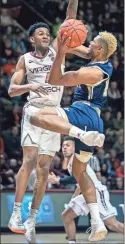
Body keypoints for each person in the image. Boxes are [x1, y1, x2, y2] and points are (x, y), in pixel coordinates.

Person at [8, 0, 96, 244]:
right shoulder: (25, 59)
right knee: (30, 161)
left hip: (54, 113)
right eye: (42, 34)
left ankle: (32, 219)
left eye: (49, 33)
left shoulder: (58, 50)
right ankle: (16, 213)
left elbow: (70, 20)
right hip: (34, 110)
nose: (47, 36)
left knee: (45, 169)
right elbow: (11, 90)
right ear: (33, 39)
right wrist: (29, 86)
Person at [28, 15, 117, 241]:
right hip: (94, 118)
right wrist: (64, 39)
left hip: (83, 115)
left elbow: (56, 79)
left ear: (100, 48)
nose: (89, 42)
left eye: (93, 41)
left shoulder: (94, 73)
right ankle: (97, 223)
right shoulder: (97, 58)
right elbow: (77, 46)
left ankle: (82, 135)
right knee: (79, 172)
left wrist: (60, 53)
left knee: (36, 116)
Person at [48, 139, 124, 244]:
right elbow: (80, 184)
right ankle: (72, 242)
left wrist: (58, 180)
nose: (64, 147)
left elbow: (77, 178)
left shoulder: (77, 159)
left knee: (112, 224)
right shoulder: (70, 162)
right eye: (63, 146)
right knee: (67, 216)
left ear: (74, 148)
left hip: (97, 192)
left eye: (68, 145)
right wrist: (73, 199)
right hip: (86, 194)